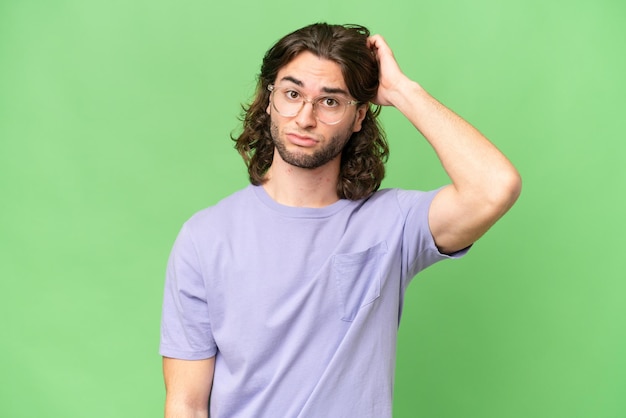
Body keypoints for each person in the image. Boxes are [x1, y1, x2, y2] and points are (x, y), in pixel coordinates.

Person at [159, 22, 521, 417]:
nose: (305, 117)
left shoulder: (393, 223)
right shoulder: (205, 237)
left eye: (330, 102)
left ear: (359, 116)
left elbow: (495, 187)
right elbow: (187, 405)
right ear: (269, 100)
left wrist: (402, 91)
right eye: (292, 94)